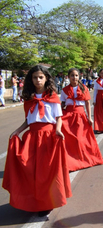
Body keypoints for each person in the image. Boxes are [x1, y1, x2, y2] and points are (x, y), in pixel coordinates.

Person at [2, 65, 72, 217]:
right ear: (31, 79)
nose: (38, 80)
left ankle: (47, 202)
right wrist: (18, 131)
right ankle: (33, 199)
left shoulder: (53, 96)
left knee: (46, 173)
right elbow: (29, 120)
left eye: (41, 77)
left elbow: (58, 117)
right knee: (30, 170)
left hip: (48, 138)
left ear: (46, 78)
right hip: (32, 138)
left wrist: (58, 130)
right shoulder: (29, 98)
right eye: (35, 77)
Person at [60, 68, 103, 171]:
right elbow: (62, 104)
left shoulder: (84, 88)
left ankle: (83, 159)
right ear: (68, 77)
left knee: (81, 139)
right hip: (68, 115)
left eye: (76, 75)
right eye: (72, 75)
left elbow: (87, 103)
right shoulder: (64, 90)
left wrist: (89, 117)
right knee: (70, 139)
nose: (74, 77)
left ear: (79, 76)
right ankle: (71, 161)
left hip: (80, 116)